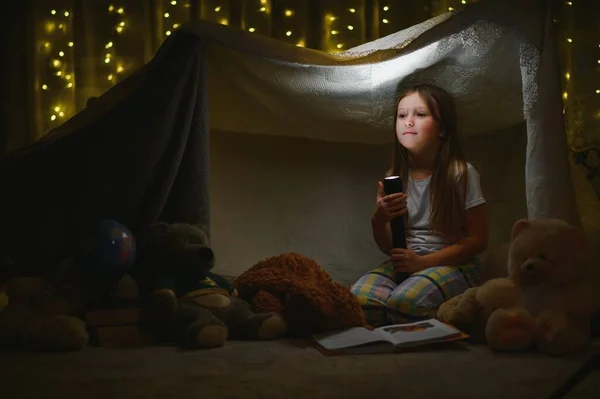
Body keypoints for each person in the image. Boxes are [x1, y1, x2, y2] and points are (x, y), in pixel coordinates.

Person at [350, 84, 488, 327]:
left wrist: (423, 263)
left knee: (404, 305)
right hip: (408, 265)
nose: (408, 122)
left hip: (452, 264)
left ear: (443, 129)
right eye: (402, 115)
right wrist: (379, 220)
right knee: (359, 303)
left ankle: (450, 313)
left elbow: (478, 239)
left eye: (420, 115)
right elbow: (390, 248)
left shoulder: (461, 173)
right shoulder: (395, 176)